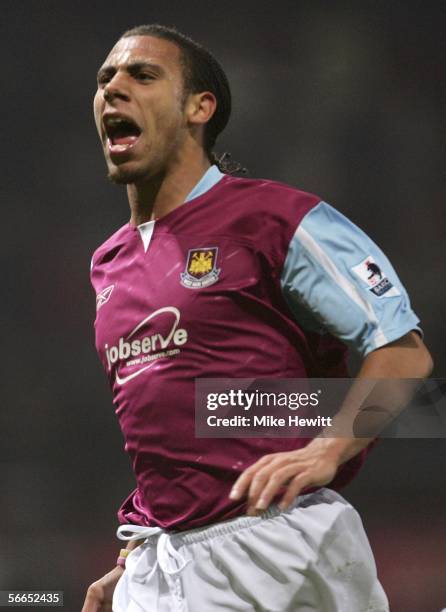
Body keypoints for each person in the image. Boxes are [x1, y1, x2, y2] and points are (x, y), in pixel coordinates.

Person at [82, 24, 433, 612]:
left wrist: (327, 448)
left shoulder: (275, 218)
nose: (114, 87)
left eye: (142, 75)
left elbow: (404, 350)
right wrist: (140, 549)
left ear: (201, 107)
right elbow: (168, 430)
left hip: (276, 543)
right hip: (163, 558)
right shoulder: (108, 263)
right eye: (105, 79)